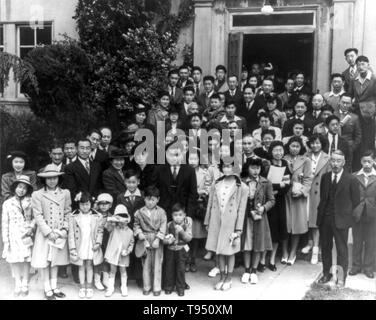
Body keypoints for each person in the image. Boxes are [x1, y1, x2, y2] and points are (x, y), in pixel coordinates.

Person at [317, 150, 360, 286]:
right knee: (325, 247)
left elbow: (356, 201)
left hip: (341, 220)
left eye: (338, 161)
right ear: (330, 161)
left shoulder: (351, 179)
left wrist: (348, 219)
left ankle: (341, 277)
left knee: (342, 249)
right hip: (325, 219)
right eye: (333, 160)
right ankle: (326, 274)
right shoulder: (325, 177)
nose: (335, 164)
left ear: (344, 162)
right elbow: (323, 199)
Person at [204, 162, 248, 291]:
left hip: (231, 223)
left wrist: (238, 228)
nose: (227, 169)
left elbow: (241, 209)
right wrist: (207, 221)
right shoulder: (216, 184)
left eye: (230, 166)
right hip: (216, 221)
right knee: (219, 251)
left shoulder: (242, 187)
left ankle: (229, 278)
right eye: (225, 166)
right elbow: (210, 204)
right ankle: (222, 277)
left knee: (229, 252)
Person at [31, 165, 71, 300]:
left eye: (54, 178)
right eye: (48, 178)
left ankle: (54, 286)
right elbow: (38, 215)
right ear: (44, 180)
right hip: (45, 233)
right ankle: (47, 288)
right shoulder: (37, 194)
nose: (52, 181)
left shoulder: (65, 193)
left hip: (59, 233)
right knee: (45, 261)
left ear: (59, 178)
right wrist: (48, 232)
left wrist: (64, 229)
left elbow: (67, 212)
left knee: (55, 261)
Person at [241, 158, 275, 285]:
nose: (255, 171)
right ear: (247, 168)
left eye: (258, 168)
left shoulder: (266, 182)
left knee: (257, 244)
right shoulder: (242, 182)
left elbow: (272, 200)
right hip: (246, 218)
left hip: (260, 218)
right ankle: (246, 270)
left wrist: (264, 207)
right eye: (252, 168)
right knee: (246, 244)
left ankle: (254, 271)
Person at [2, 175, 35, 297]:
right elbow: (5, 222)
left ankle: (25, 282)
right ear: (15, 188)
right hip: (13, 235)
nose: (22, 190)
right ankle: (17, 283)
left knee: (26, 260)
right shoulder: (7, 203)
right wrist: (6, 240)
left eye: (25, 188)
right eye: (19, 187)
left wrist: (31, 227)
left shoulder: (30, 201)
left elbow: (35, 218)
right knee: (15, 260)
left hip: (26, 235)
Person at [283, 137, 312, 266]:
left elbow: (307, 179)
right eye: (292, 146)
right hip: (284, 195)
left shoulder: (305, 160)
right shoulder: (282, 158)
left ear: (301, 148)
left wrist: (302, 191)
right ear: (288, 146)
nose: (294, 148)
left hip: (298, 195)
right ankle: (284, 251)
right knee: (285, 224)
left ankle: (293, 252)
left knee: (296, 224)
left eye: (297, 146)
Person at [69, 191, 104, 299]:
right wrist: (73, 248)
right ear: (79, 204)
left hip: (91, 244)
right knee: (81, 266)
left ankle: (89, 287)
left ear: (91, 204)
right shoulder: (73, 216)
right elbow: (71, 234)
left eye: (87, 204)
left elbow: (100, 231)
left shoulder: (97, 216)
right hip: (80, 245)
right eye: (82, 204)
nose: (85, 207)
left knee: (89, 265)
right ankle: (82, 287)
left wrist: (98, 242)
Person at [134, 186, 167, 296]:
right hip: (145, 238)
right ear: (144, 199)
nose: (150, 202)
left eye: (153, 199)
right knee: (146, 264)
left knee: (158, 263)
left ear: (158, 199)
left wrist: (158, 239)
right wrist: (142, 237)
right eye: (148, 199)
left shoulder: (161, 212)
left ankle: (157, 287)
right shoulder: (139, 212)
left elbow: (163, 226)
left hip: (157, 238)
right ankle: (146, 286)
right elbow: (136, 226)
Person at [302, 134, 331, 264]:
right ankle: (310, 242)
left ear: (322, 144)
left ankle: (315, 249)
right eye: (312, 143)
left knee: (316, 220)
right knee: (308, 218)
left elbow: (329, 178)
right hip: (306, 191)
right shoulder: (305, 156)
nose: (315, 145)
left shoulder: (327, 158)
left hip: (319, 193)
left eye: (318, 143)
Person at [264, 141, 291, 269]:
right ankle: (262, 259)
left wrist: (277, 187)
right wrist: (276, 186)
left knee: (278, 229)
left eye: (281, 150)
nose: (278, 153)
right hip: (267, 201)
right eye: (275, 150)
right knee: (268, 229)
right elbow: (264, 184)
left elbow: (286, 185)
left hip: (280, 201)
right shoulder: (266, 164)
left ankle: (273, 259)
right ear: (271, 151)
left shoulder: (285, 164)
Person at [350, 150, 376, 279]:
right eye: (364, 161)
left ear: (373, 162)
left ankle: (368, 268)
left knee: (371, 241)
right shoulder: (354, 176)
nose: (366, 164)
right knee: (357, 240)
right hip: (358, 213)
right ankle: (356, 266)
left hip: (372, 214)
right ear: (361, 162)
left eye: (369, 161)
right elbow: (350, 196)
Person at [116, 168, 145, 287]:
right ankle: (125, 275)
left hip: (139, 228)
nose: (131, 185)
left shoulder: (143, 196)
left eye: (133, 182)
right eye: (128, 182)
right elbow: (118, 213)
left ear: (138, 182)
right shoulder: (121, 197)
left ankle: (139, 276)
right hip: (125, 229)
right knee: (126, 250)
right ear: (125, 182)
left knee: (138, 252)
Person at [156, 142, 198, 221]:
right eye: (171, 155)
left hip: (182, 212)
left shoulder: (190, 170)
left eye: (177, 155)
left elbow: (192, 194)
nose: (174, 158)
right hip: (163, 212)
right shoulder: (159, 170)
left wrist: (189, 215)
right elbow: (156, 191)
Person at [104, 204, 134, 297]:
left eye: (124, 220)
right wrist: (114, 219)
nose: (122, 222)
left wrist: (128, 251)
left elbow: (131, 243)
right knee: (112, 271)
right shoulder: (113, 228)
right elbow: (107, 225)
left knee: (123, 271)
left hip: (123, 255)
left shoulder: (130, 232)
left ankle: (124, 287)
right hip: (113, 253)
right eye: (119, 219)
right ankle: (110, 288)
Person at [63, 138, 103, 207]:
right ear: (76, 149)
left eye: (87, 148)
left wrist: (97, 200)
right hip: (80, 204)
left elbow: (99, 187)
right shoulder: (70, 167)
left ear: (91, 149)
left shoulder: (97, 166)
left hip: (96, 204)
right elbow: (71, 191)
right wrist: (87, 200)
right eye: (82, 148)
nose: (85, 151)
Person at [163, 203, 193, 296]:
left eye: (180, 215)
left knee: (181, 269)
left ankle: (180, 288)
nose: (178, 217)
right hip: (170, 250)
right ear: (172, 215)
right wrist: (168, 240)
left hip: (181, 250)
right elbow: (163, 238)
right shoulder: (168, 225)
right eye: (175, 215)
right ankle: (169, 287)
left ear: (184, 215)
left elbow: (189, 238)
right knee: (169, 268)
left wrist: (182, 232)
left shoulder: (186, 224)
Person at [187, 152, 208, 273]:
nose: (193, 161)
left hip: (199, 206)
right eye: (191, 158)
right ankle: (186, 259)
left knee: (196, 235)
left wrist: (198, 193)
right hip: (187, 205)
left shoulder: (204, 173)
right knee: (186, 234)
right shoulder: (184, 172)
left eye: (195, 158)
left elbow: (207, 188)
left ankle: (193, 259)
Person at [335, 93, 362, 170]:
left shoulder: (354, 117)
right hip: (334, 146)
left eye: (348, 103)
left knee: (346, 169)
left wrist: (352, 148)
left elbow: (358, 136)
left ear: (351, 104)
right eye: (343, 102)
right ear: (339, 102)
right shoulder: (333, 114)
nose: (345, 105)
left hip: (348, 149)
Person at [93, 193, 113, 291]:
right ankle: (97, 280)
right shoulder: (95, 215)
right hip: (96, 240)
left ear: (110, 205)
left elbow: (113, 230)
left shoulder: (112, 217)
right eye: (101, 204)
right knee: (97, 260)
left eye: (106, 204)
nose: (104, 206)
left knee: (106, 259)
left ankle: (105, 279)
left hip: (107, 240)